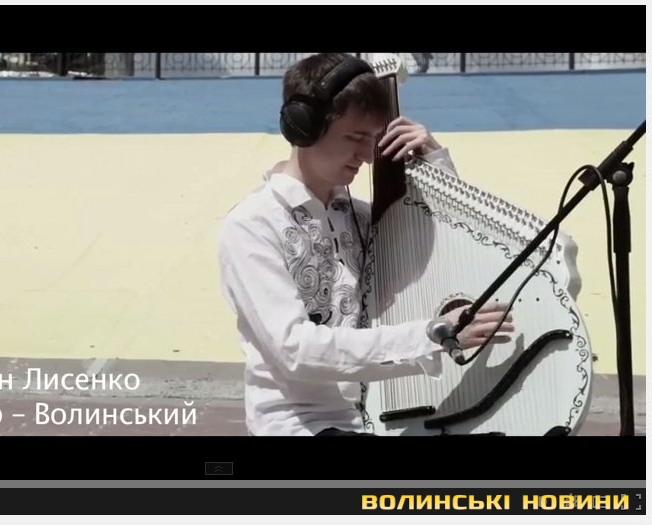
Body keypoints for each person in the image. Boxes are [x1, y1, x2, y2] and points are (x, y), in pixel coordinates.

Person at [216, 53, 513, 437]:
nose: (368, 156)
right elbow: (295, 350)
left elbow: (445, 249)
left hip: (382, 413)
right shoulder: (252, 226)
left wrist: (434, 160)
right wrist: (432, 335)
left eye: (373, 140)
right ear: (303, 127)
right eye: (356, 138)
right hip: (300, 424)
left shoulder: (359, 217)